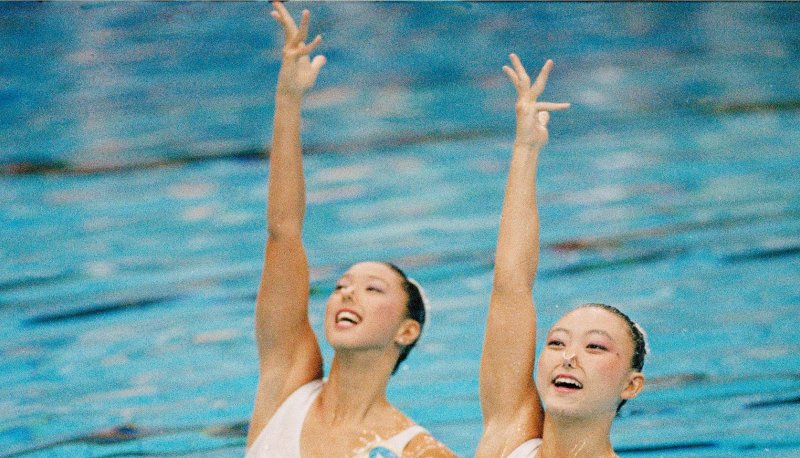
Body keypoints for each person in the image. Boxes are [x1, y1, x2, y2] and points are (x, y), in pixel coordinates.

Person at [246, 3, 456, 457]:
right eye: (341, 285)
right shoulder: (288, 382)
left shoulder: (416, 451)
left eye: (372, 289)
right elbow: (284, 231)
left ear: (406, 331)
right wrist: (288, 101)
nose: (345, 293)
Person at [476, 54, 647, 458]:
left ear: (630, 385)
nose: (568, 357)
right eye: (555, 343)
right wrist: (526, 148)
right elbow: (511, 286)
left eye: (596, 348)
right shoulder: (509, 438)